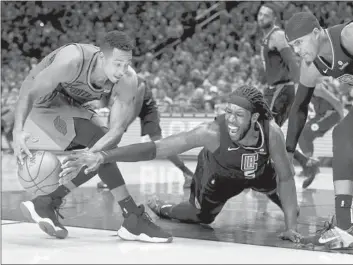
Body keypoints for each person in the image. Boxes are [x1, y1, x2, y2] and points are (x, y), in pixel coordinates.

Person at [61, 85, 302, 243]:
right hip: (218, 176)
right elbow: (156, 149)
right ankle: (162, 207)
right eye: (228, 112)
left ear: (255, 118)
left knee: (286, 201)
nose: (230, 120)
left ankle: (286, 212)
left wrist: (291, 227)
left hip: (257, 171)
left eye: (238, 115)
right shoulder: (211, 133)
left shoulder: (273, 133)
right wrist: (104, 156)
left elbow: (286, 178)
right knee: (201, 217)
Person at [12, 31, 172, 243]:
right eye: (117, 64)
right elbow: (30, 93)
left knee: (102, 150)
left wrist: (92, 154)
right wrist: (17, 130)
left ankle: (48, 201)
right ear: (101, 57)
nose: (123, 70)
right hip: (41, 101)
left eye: (127, 64)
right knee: (98, 139)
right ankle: (132, 216)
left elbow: (117, 131)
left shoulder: (127, 78)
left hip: (69, 102)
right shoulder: (72, 60)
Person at [284, 12, 353, 249]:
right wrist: (289, 151)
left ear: (316, 33)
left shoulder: (347, 36)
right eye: (292, 45)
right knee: (342, 134)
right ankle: (344, 228)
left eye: (298, 42)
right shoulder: (312, 66)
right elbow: (299, 107)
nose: (296, 50)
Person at [257, 3, 320, 183]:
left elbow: (292, 63)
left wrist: (302, 89)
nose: (261, 17)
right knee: (269, 133)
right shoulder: (266, 37)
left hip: (282, 89)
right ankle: (305, 162)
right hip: (274, 89)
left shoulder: (276, 36)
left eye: (266, 15)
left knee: (266, 132)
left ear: (274, 18)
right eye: (260, 14)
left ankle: (265, 174)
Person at [97, 76, 193, 190]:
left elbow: (136, 109)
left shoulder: (138, 84)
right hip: (125, 105)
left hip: (147, 108)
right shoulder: (110, 80)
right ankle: (108, 179)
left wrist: (123, 126)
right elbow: (103, 104)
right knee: (109, 137)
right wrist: (102, 94)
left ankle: (188, 173)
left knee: (158, 142)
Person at [298, 84, 344, 188]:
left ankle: (311, 166)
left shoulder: (317, 88)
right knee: (303, 136)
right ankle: (311, 166)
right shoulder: (306, 89)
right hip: (321, 116)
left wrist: (342, 119)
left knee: (305, 133)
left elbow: (337, 102)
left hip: (330, 115)